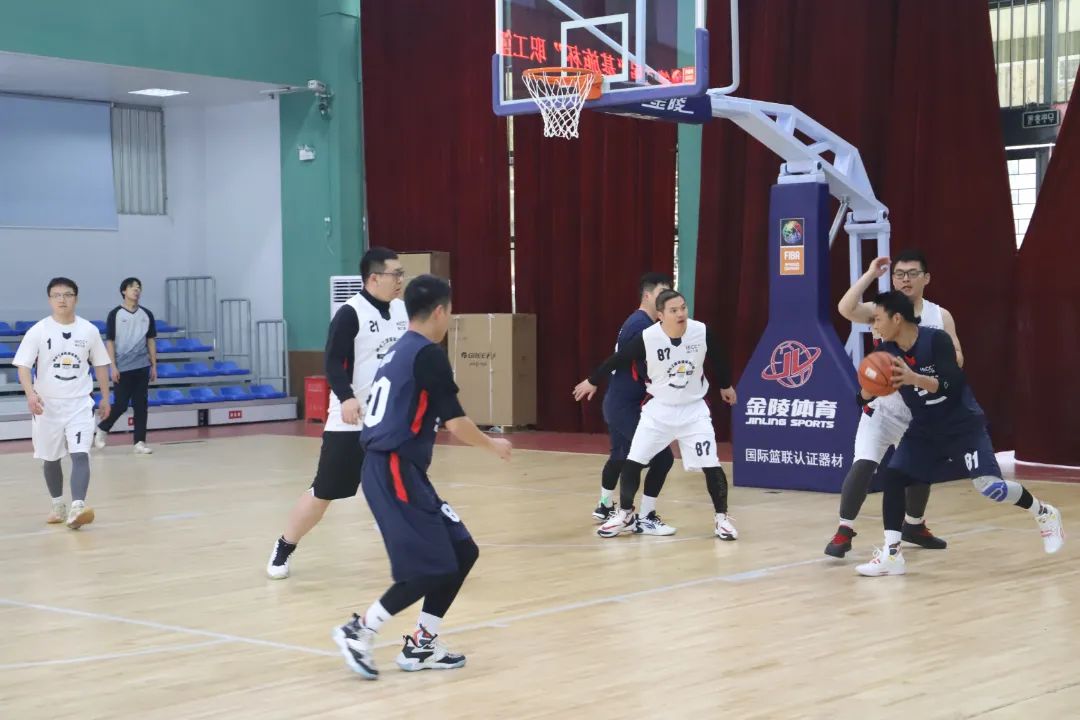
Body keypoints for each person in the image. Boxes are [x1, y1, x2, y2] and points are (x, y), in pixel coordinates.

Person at [333, 275, 512, 679]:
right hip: (392, 468)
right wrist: (492, 444)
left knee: (462, 551)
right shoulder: (427, 354)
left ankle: (421, 645)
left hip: (401, 469)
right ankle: (359, 631)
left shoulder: (399, 348)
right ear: (440, 312)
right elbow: (455, 422)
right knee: (430, 567)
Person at [855, 291, 1064, 577]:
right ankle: (892, 555)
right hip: (925, 428)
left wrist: (914, 378)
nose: (874, 326)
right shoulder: (885, 354)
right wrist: (868, 390)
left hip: (962, 425)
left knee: (990, 487)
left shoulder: (936, 340)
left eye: (878, 319)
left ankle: (1043, 512)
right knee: (893, 477)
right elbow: (862, 397)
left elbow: (951, 385)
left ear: (897, 318)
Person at [266, 247, 408, 579]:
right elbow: (332, 361)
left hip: (389, 420)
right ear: (374, 278)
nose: (401, 280)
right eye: (396, 274)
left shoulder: (402, 310)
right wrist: (345, 397)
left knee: (404, 487)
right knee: (325, 491)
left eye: (402, 274)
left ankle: (416, 554)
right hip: (351, 421)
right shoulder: (350, 313)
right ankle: (284, 546)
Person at [826, 251, 962, 557]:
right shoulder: (881, 310)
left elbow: (958, 358)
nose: (905, 279)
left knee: (919, 470)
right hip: (882, 409)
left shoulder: (940, 316)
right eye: (899, 274)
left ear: (926, 278)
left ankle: (914, 526)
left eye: (912, 273)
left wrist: (931, 365)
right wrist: (871, 274)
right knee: (863, 464)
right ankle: (844, 530)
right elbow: (845, 309)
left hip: (919, 412)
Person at [573, 289, 739, 540]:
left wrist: (726, 385)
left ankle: (722, 520)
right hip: (659, 410)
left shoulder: (701, 331)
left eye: (683, 308)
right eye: (674, 310)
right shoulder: (648, 337)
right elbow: (619, 359)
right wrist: (593, 380)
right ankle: (626, 514)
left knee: (711, 465)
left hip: (693, 411)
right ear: (660, 315)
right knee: (634, 461)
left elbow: (719, 358)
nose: (681, 313)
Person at [13, 277, 111, 529]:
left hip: (79, 403)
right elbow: (23, 366)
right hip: (47, 406)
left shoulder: (88, 330)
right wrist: (30, 394)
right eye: (56, 295)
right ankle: (58, 504)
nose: (62, 299)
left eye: (67, 294)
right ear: (49, 300)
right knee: (50, 458)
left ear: (76, 298)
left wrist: (105, 396)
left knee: (81, 454)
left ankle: (78, 506)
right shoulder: (39, 330)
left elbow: (101, 364)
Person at [592, 272, 677, 535]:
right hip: (625, 405)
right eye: (662, 292)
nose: (666, 297)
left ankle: (606, 506)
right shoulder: (641, 326)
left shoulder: (640, 322)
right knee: (662, 458)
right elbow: (642, 365)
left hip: (618, 401)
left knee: (621, 456)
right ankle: (643, 516)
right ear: (648, 295)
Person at [94, 277, 157, 454]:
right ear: (124, 291)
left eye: (138, 287)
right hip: (122, 367)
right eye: (132, 287)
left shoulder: (147, 314)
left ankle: (139, 442)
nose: (136, 290)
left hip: (142, 366)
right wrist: (113, 366)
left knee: (141, 405)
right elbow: (110, 342)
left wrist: (153, 365)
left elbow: (151, 340)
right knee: (121, 404)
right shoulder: (115, 314)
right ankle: (103, 428)